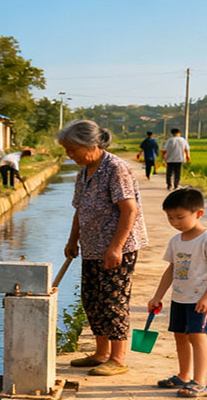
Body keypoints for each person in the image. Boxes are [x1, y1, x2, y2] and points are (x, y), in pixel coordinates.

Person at [61, 120, 148, 376]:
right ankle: (101, 353)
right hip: (92, 247)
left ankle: (118, 359)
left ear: (92, 144)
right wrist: (72, 240)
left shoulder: (116, 169)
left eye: (72, 149)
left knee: (113, 301)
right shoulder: (84, 171)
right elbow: (80, 210)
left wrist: (116, 247)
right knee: (92, 300)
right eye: (67, 149)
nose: (69, 154)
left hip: (117, 247)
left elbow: (129, 210)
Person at [148, 188, 207, 397]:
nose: (175, 222)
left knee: (197, 336)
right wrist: (158, 296)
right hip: (180, 297)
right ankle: (184, 375)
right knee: (180, 336)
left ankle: (199, 381)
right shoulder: (176, 241)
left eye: (180, 217)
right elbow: (171, 270)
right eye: (170, 218)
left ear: (198, 213)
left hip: (201, 299)